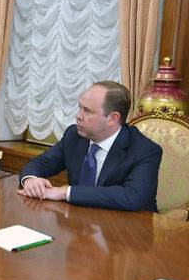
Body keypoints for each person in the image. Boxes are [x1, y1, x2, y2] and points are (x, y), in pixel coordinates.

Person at [18, 81, 162, 212]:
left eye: (87, 111)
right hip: (78, 224)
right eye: (79, 107)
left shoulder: (144, 150)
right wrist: (30, 179)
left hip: (128, 231)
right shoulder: (74, 136)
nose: (78, 116)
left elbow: (131, 197)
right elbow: (41, 163)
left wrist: (66, 192)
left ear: (113, 118)